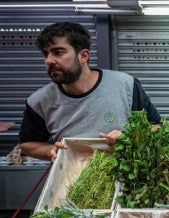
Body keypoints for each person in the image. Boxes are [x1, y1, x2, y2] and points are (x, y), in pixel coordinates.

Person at [18, 22, 160, 161]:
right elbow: (27, 144)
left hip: (125, 177)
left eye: (58, 52)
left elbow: (156, 127)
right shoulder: (39, 101)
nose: (49, 60)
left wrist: (131, 136)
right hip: (73, 178)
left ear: (83, 56)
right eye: (45, 54)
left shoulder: (125, 85)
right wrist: (50, 151)